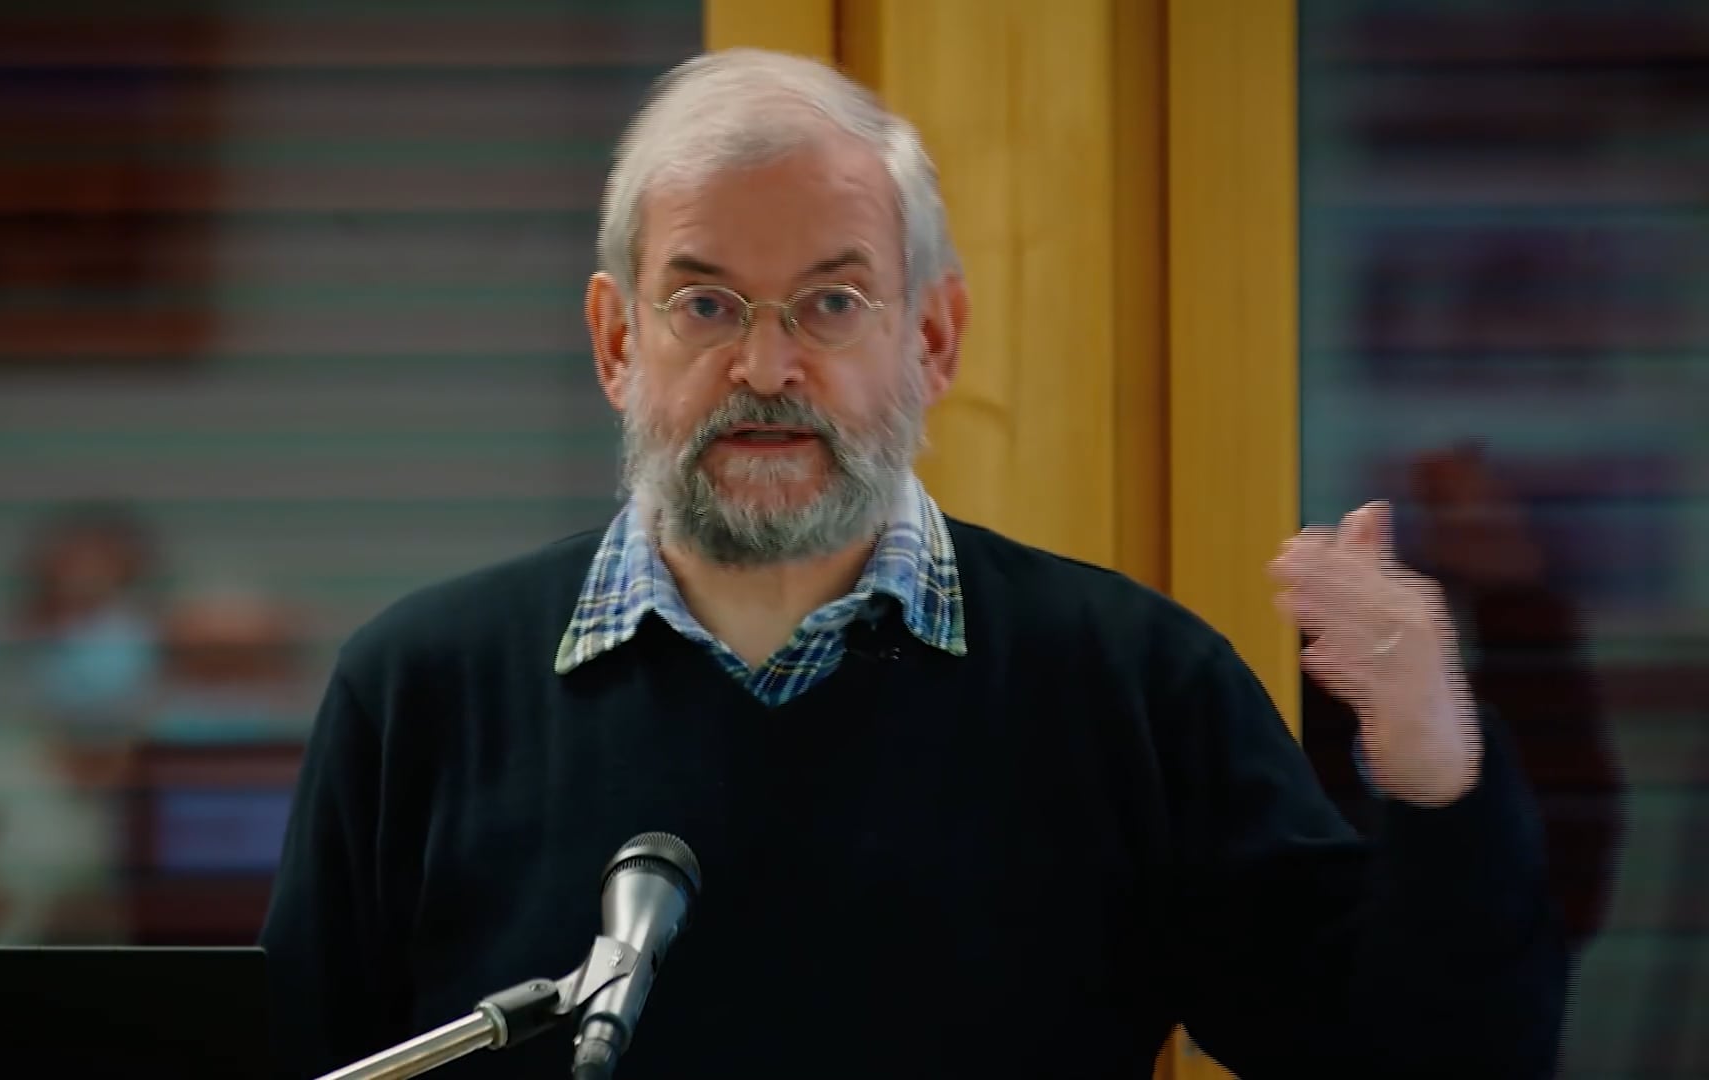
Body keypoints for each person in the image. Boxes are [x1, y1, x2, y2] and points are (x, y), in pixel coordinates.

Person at [261, 49, 1565, 1079]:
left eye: (832, 303)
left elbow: (1418, 1060)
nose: (766, 367)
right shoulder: (419, 690)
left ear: (933, 339)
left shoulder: (1129, 685)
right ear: (616, 343)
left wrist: (1435, 765)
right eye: (705, 304)